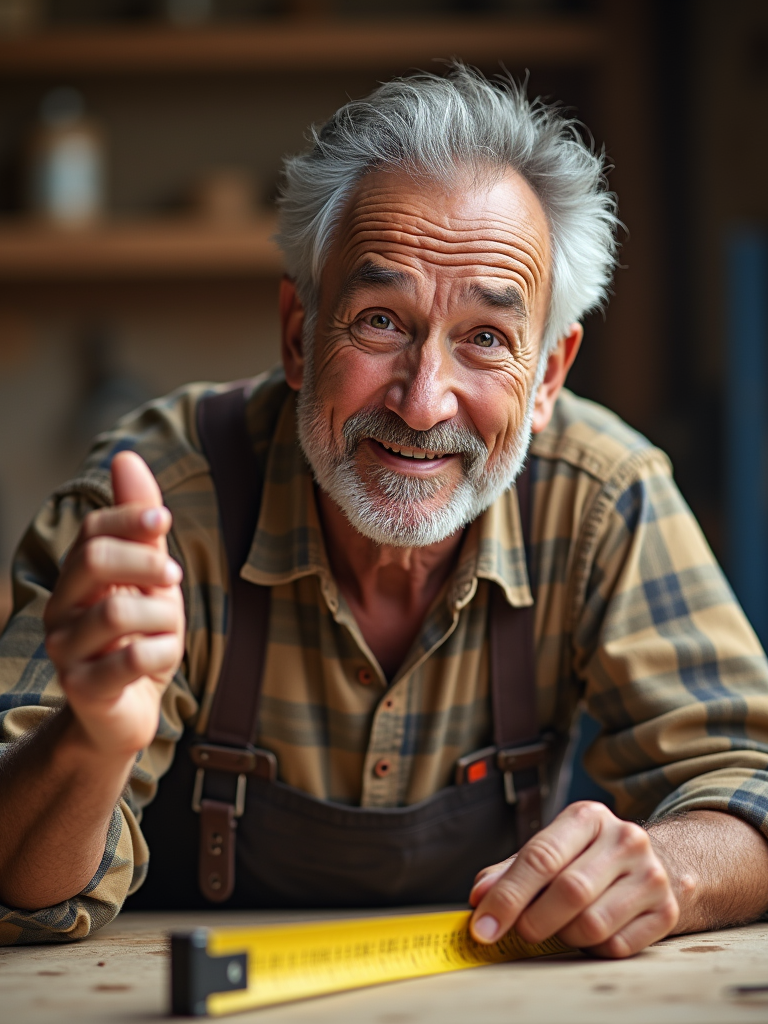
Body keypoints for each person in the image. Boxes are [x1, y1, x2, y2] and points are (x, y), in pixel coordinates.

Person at [1, 66, 768, 954]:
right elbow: (15, 884)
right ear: (299, 335)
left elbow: (750, 781)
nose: (422, 402)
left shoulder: (602, 499)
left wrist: (669, 867)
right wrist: (91, 741)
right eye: (379, 321)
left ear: (549, 375)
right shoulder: (158, 506)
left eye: (485, 338)